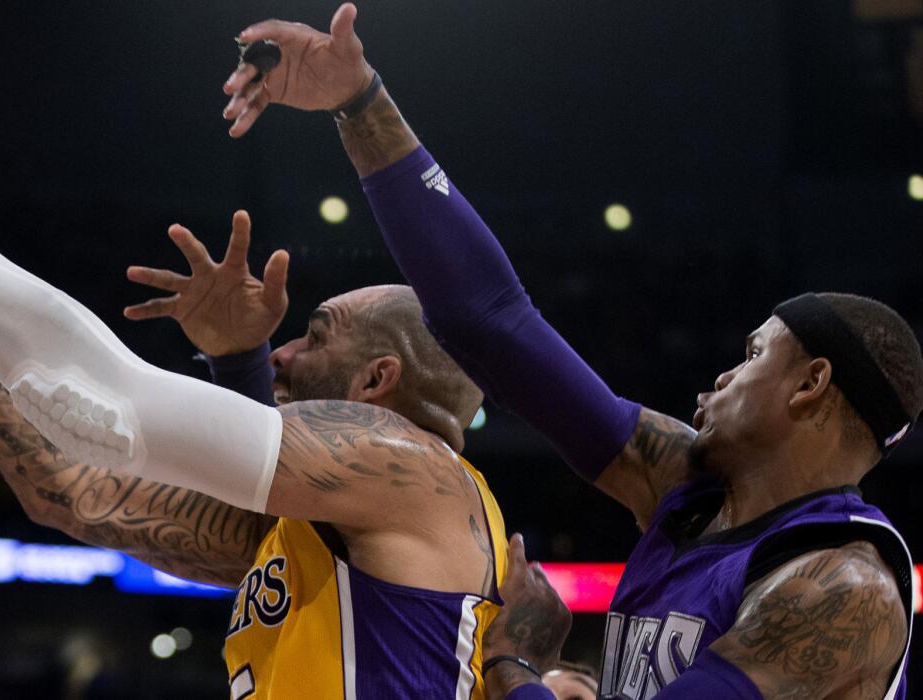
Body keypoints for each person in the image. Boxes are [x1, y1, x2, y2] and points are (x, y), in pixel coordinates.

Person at [0, 43, 520, 699]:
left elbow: (106, 405)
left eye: (317, 335)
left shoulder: (411, 470)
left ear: (376, 382)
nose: (285, 349)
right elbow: (67, 482)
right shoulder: (329, 533)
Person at [220, 4, 919, 699]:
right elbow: (486, 319)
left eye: (755, 354)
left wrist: (516, 664)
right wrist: (360, 101)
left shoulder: (842, 588)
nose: (724, 374)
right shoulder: (682, 484)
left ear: (809, 383)